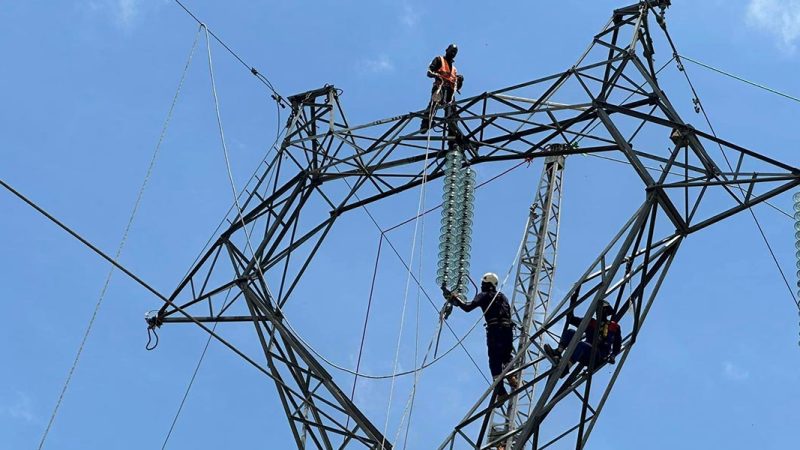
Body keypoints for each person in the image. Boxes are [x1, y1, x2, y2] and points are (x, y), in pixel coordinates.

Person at [448, 272, 518, 398]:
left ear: (487, 283)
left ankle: (501, 392)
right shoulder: (502, 297)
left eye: (483, 283)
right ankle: (511, 375)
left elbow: (467, 307)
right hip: (508, 330)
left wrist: (455, 299)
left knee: (494, 360)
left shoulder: (484, 296)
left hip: (495, 330)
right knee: (506, 356)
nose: (481, 286)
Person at [543, 300, 622, 378]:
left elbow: (617, 345)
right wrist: (572, 305)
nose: (597, 312)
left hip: (598, 356)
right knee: (570, 332)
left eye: (599, 310)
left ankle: (565, 368)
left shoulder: (614, 327)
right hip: (585, 351)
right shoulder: (591, 322)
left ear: (605, 311)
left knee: (582, 345)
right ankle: (557, 353)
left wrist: (613, 356)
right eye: (597, 310)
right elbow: (572, 320)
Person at [420, 43, 465, 132]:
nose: (453, 53)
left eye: (455, 52)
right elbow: (429, 72)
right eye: (452, 51)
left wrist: (459, 81)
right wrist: (437, 76)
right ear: (446, 50)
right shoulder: (439, 59)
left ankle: (453, 141)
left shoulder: (454, 69)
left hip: (450, 93)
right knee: (433, 104)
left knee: (452, 114)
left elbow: (457, 87)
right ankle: (425, 124)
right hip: (440, 87)